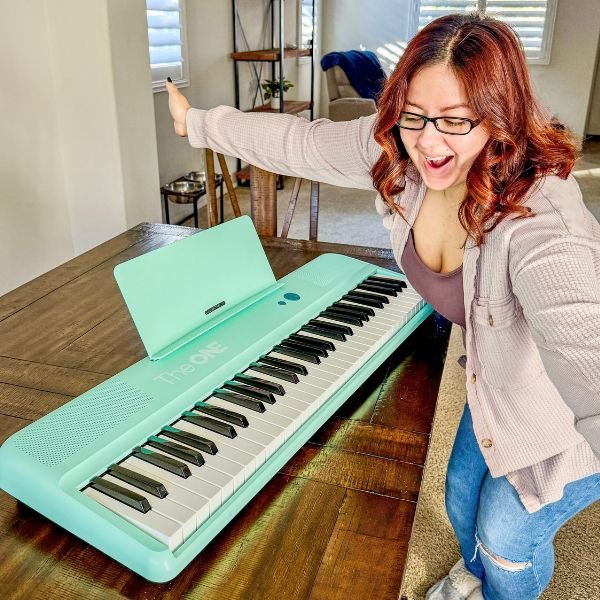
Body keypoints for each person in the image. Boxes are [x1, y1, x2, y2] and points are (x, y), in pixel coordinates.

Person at [166, 13, 600, 600]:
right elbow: (301, 143)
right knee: (458, 497)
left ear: (501, 118)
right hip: (499, 377)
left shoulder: (541, 218)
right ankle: (473, 576)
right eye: (415, 116)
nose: (428, 141)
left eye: (455, 121)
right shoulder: (399, 153)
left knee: (506, 539)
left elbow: (584, 342)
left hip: (562, 413)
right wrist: (200, 122)